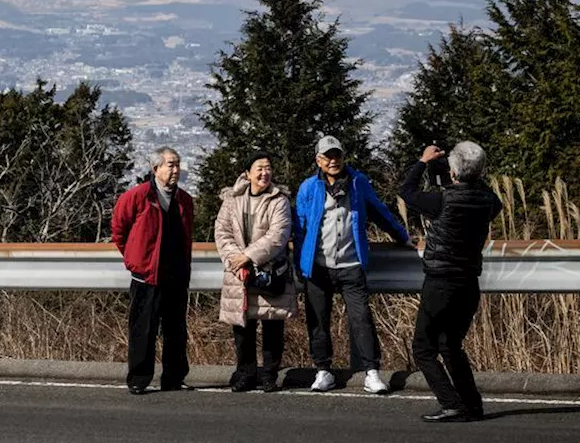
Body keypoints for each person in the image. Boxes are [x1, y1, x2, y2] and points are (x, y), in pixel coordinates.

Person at [293, 135, 413, 394]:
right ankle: (323, 371)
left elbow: (380, 212)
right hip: (318, 265)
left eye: (337, 155)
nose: (333, 161)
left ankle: (372, 372)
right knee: (318, 320)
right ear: (318, 160)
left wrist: (402, 237)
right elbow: (300, 228)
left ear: (343, 157)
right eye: (327, 156)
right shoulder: (308, 188)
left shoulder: (358, 182)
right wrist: (300, 264)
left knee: (361, 318)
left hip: (351, 263)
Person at [400, 142, 503, 423]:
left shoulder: (441, 201)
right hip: (469, 283)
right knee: (451, 345)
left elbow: (406, 192)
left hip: (440, 282)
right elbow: (484, 195)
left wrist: (423, 162)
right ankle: (473, 405)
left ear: (453, 172)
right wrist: (467, 175)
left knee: (423, 348)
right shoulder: (489, 202)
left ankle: (451, 403)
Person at [112, 146, 195, 394]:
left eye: (177, 164)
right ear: (155, 168)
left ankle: (174, 377)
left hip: (176, 275)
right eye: (170, 164)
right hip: (146, 276)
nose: (175, 170)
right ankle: (139, 378)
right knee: (143, 331)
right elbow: (119, 229)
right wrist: (135, 259)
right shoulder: (138, 196)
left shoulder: (185, 201)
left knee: (176, 331)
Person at [214, 151, 295, 393]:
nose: (264, 173)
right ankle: (246, 373)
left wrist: (247, 257)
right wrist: (235, 260)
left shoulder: (279, 200)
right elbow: (222, 232)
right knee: (242, 327)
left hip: (269, 271)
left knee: (272, 326)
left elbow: (278, 236)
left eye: (268, 168)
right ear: (247, 173)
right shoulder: (232, 199)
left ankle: (270, 374)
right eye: (259, 168)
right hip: (239, 274)